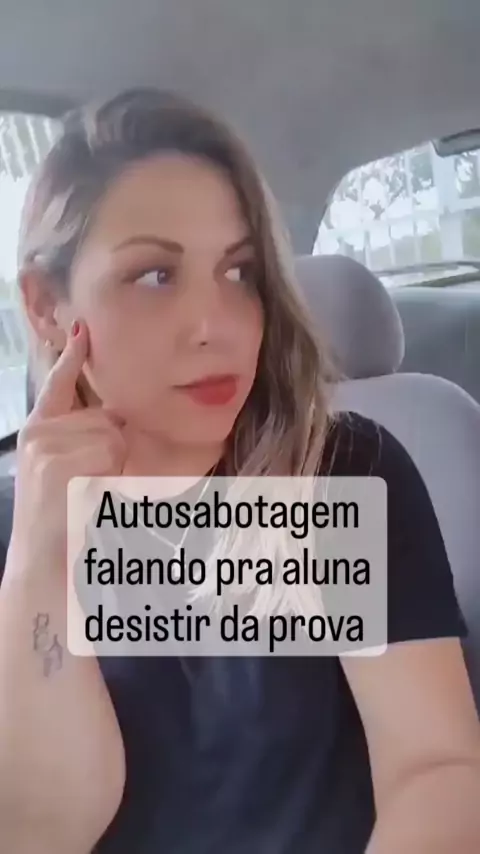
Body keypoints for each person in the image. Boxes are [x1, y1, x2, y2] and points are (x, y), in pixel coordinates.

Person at [0, 88, 479, 854]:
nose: (216, 326)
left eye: (240, 272)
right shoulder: (15, 533)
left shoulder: (335, 474)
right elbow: (46, 828)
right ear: (46, 307)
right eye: (154, 276)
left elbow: (435, 767)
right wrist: (36, 563)